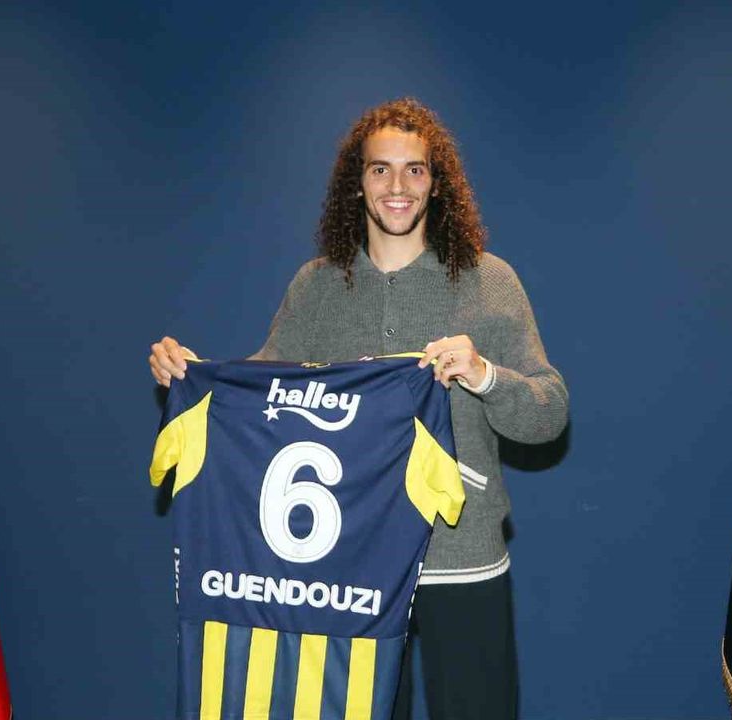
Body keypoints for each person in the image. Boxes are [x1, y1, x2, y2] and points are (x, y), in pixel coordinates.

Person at [148, 97, 568, 720]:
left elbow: (549, 413)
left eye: (414, 169)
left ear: (437, 183)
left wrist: (484, 375)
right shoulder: (317, 286)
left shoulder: (489, 280)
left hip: (461, 556)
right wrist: (191, 376)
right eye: (380, 169)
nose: (398, 186)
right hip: (351, 567)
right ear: (357, 183)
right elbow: (261, 392)